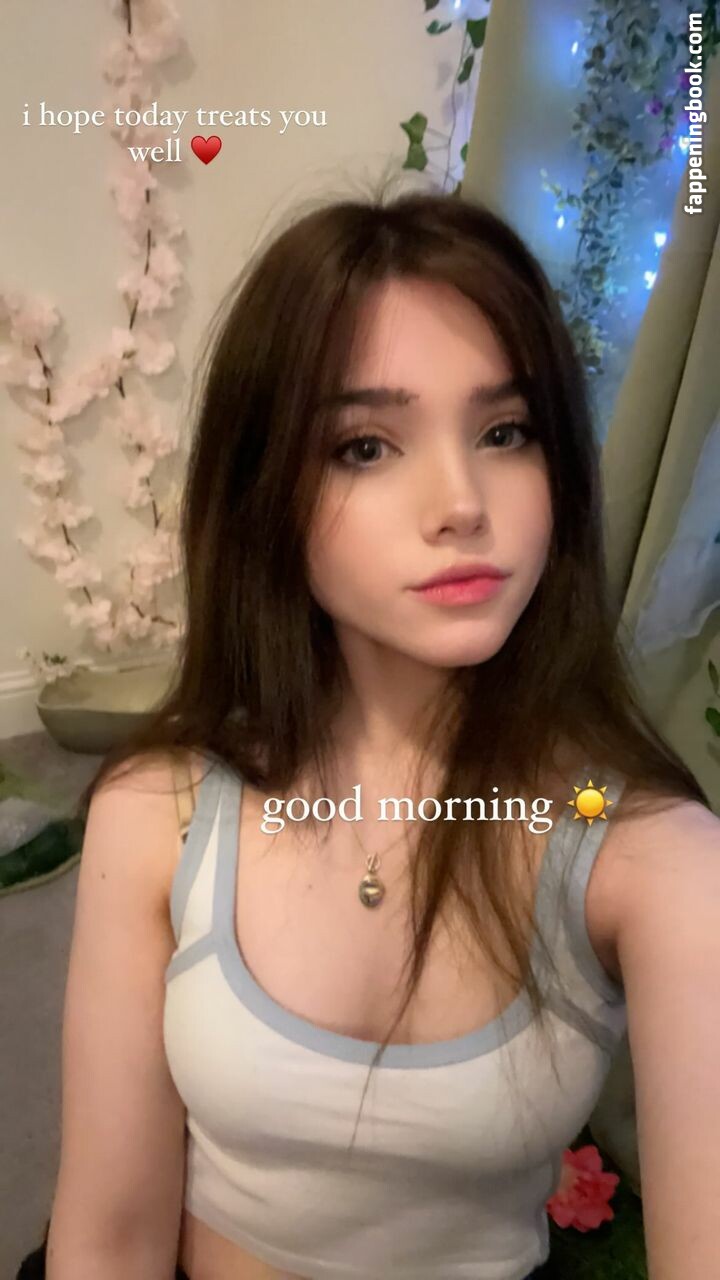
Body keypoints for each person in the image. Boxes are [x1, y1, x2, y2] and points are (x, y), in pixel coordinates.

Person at [38, 181, 716, 1280]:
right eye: (365, 445)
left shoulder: (650, 851)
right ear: (265, 489)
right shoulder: (160, 808)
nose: (462, 502)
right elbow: (109, 1236)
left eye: (505, 432)